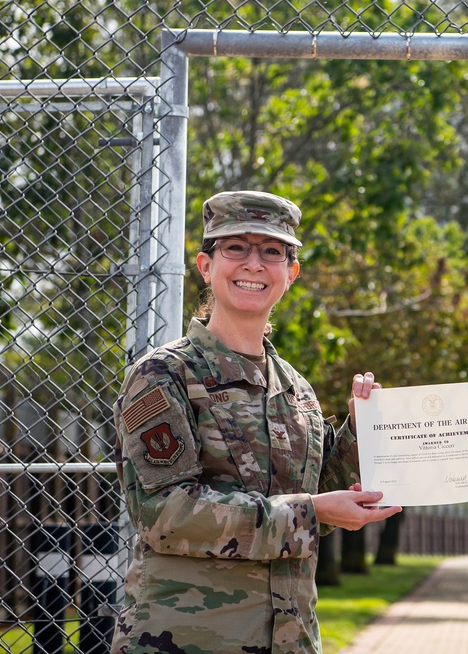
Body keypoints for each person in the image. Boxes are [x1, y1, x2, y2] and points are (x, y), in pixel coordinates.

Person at [110, 190, 401, 654]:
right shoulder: (164, 374)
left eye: (271, 252)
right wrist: (312, 512)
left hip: (291, 639)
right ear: (206, 266)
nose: (254, 264)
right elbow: (166, 514)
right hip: (186, 640)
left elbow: (323, 493)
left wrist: (363, 430)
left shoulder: (296, 388)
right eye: (235, 248)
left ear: (291, 273)